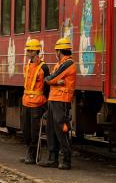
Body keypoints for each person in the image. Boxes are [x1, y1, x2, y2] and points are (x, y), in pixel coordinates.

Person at [41, 37, 77, 170]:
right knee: (50, 129)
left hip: (62, 101)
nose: (56, 53)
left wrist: (53, 80)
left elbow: (50, 78)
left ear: (59, 51)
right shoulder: (60, 64)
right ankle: (52, 158)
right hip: (54, 99)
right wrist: (56, 81)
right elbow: (50, 79)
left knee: (61, 130)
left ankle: (66, 159)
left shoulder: (68, 64)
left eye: (56, 51)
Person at [21, 39, 49, 164]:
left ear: (36, 51)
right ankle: (29, 150)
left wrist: (46, 103)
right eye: (27, 50)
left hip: (38, 103)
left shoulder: (44, 67)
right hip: (26, 102)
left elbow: (47, 87)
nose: (28, 52)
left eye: (30, 50)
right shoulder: (27, 66)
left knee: (34, 131)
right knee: (25, 129)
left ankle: (33, 154)